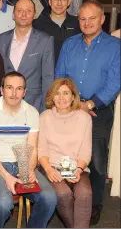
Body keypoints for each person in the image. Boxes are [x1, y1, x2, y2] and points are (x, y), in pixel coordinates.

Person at [55, 0, 120, 225]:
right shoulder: (69, 44)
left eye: (92, 18)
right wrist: (74, 104)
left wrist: (89, 105)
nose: (87, 23)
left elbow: (114, 83)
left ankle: (95, 205)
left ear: (102, 19)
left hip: (99, 113)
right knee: (68, 155)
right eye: (82, 19)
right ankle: (70, 200)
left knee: (97, 162)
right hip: (69, 110)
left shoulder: (115, 46)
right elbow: (60, 76)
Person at [0, 71, 57, 228]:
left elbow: (32, 147)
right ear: (1, 90)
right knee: (4, 204)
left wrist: (30, 169)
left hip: (22, 164)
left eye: (19, 89)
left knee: (49, 198)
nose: (14, 93)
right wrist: (6, 176)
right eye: (9, 87)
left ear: (24, 92)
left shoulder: (32, 113)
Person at [38, 78, 92, 228]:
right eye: (57, 93)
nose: (61, 98)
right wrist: (48, 170)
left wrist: (79, 170)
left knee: (84, 194)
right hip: (51, 166)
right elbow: (41, 149)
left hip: (77, 167)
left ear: (73, 97)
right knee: (63, 194)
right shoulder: (44, 117)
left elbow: (86, 150)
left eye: (66, 93)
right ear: (51, 97)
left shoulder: (84, 118)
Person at [0, 0, 54, 112]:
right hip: (4, 105)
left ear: (35, 15)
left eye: (28, 11)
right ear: (13, 15)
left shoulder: (45, 40)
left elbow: (48, 77)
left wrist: (45, 109)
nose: (24, 14)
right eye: (20, 10)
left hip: (33, 105)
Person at [33, 0, 81, 64]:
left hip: (70, 74)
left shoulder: (77, 23)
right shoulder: (37, 24)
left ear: (69, 1)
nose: (59, 3)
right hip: (46, 73)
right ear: (49, 1)